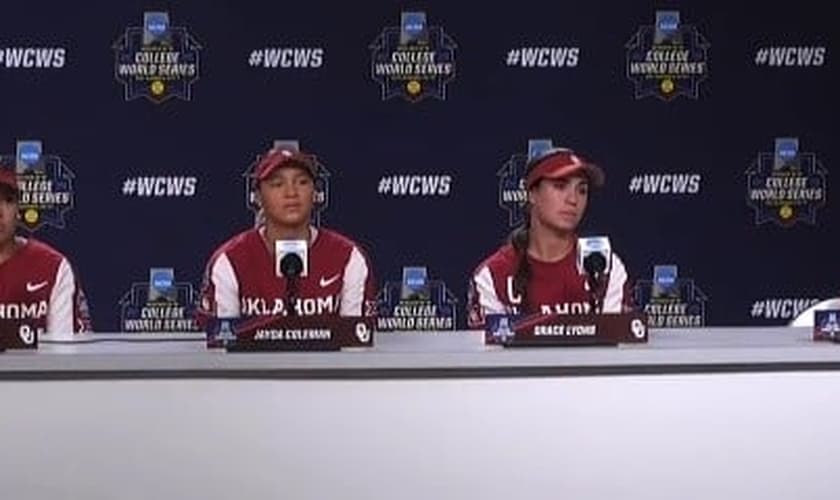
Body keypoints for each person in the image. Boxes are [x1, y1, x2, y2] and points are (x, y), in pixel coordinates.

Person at [198, 146, 377, 323]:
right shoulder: (229, 260)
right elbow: (221, 342)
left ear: (315, 193)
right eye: (278, 184)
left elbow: (356, 341)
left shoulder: (348, 257)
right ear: (258, 197)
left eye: (302, 182)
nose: (291, 193)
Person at [467, 147, 634, 329]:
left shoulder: (607, 268)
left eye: (582, 190)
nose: (573, 200)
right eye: (560, 186)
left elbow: (617, 350)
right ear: (532, 193)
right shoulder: (493, 275)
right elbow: (487, 356)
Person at [0, 165, 92, 342]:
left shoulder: (52, 267)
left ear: (19, 211)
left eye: (8, 200)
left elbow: (65, 355)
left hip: (33, 370)